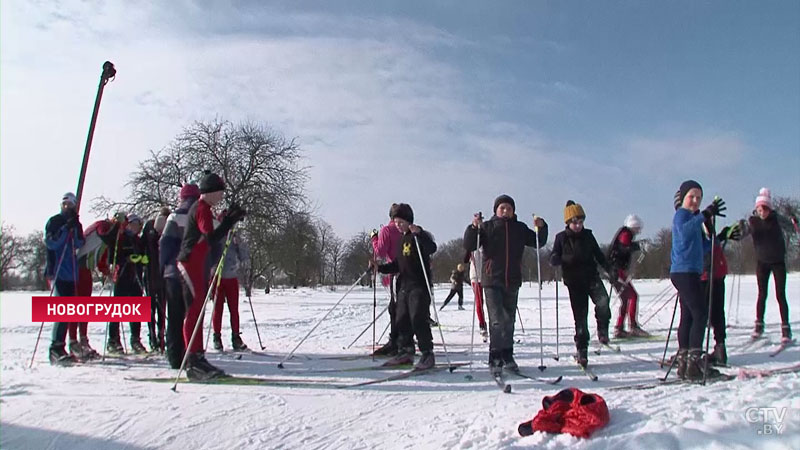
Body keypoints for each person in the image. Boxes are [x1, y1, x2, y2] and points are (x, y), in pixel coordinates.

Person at [464, 194, 548, 374]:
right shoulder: (487, 227)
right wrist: (473, 227)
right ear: (496, 210)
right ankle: (495, 357)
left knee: (509, 320)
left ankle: (507, 355)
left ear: (513, 211)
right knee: (497, 321)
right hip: (491, 279)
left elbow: (538, 242)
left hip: (513, 279)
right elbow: (469, 244)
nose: (505, 211)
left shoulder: (519, 228)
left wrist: (542, 228)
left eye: (509, 208)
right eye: (502, 208)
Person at [177, 171, 245, 380]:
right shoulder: (201, 208)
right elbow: (210, 235)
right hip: (189, 264)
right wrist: (228, 223)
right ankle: (193, 361)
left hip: (198, 264)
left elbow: (212, 236)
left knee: (198, 310)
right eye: (220, 192)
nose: (222, 196)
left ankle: (198, 356)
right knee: (194, 309)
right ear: (212, 191)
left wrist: (228, 221)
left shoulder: (205, 208)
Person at [669, 180, 725, 380]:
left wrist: (721, 236)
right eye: (691, 196)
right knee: (700, 314)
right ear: (683, 198)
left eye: (698, 198)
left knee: (689, 316)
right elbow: (685, 231)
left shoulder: (694, 218)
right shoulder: (681, 215)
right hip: (683, 272)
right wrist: (705, 215)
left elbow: (703, 246)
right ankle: (694, 362)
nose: (695, 201)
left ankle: (685, 363)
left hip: (690, 271)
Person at [371, 203, 438, 370]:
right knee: (401, 319)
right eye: (395, 222)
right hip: (403, 285)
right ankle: (405, 352)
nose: (398, 225)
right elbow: (397, 265)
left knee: (418, 318)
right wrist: (380, 268)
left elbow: (432, 248)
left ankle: (427, 353)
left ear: (409, 221)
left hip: (419, 286)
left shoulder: (418, 236)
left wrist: (420, 234)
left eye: (401, 221)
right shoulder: (401, 240)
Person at [549, 200, 611, 368]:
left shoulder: (588, 235)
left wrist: (609, 269)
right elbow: (554, 254)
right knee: (580, 318)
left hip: (591, 277)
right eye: (574, 222)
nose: (578, 225)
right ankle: (582, 349)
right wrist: (555, 259)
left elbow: (598, 254)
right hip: (574, 282)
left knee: (603, 302)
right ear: (568, 222)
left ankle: (602, 328)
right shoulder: (561, 238)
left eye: (581, 222)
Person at [743, 188, 796, 343]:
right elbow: (743, 232)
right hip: (762, 262)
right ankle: (759, 325)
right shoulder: (753, 221)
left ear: (769, 208)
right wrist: (738, 230)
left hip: (778, 262)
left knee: (780, 295)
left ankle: (786, 329)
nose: (762, 212)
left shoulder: (777, 218)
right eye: (759, 209)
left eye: (764, 209)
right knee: (762, 294)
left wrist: (794, 220)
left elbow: (792, 228)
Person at [160, 183, 200, 369]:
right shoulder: (200, 215)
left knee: (174, 317)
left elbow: (165, 243)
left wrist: (163, 266)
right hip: (193, 273)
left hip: (173, 274)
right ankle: (190, 353)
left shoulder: (174, 217)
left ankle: (175, 357)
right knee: (190, 315)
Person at [44, 192, 85, 365]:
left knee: (70, 310)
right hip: (57, 270)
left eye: (70, 204)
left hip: (71, 271)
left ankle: (64, 345)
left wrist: (74, 227)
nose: (67, 207)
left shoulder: (76, 223)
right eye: (65, 204)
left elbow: (79, 243)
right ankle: (55, 348)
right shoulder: (54, 221)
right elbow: (51, 243)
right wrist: (64, 229)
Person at [98, 212, 147, 354]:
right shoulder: (121, 237)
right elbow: (113, 254)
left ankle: (135, 339)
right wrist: (125, 259)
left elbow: (144, 256)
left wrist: (142, 259)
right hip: (121, 275)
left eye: (138, 225)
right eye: (133, 224)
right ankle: (113, 340)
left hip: (135, 277)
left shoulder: (137, 240)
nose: (135, 227)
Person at [702, 221, 743, 366]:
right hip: (715, 271)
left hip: (708, 273)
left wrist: (723, 235)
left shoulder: (699, 220)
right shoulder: (702, 220)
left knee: (702, 313)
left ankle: (692, 352)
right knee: (716, 311)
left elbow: (706, 246)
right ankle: (720, 347)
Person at [210, 211, 251, 352]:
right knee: (218, 309)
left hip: (231, 276)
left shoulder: (235, 235)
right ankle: (217, 336)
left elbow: (243, 253)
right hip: (217, 276)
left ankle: (235, 337)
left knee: (234, 309)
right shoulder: (217, 234)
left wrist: (242, 251)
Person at [369, 205, 403, 356]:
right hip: (409, 272)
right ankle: (402, 339)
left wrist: (374, 239)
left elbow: (381, 252)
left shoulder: (387, 230)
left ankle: (396, 342)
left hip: (394, 271)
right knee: (402, 307)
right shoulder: (405, 229)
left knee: (394, 308)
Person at [608, 214, 648, 338]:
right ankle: (633, 326)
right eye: (638, 228)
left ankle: (619, 328)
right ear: (633, 226)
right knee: (632, 296)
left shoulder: (625, 233)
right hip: (616, 272)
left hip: (616, 271)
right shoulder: (626, 234)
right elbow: (624, 248)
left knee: (625, 299)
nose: (638, 231)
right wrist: (638, 246)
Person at [142, 207, 170, 352]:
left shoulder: (170, 228)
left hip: (164, 275)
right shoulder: (149, 226)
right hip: (151, 272)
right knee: (150, 307)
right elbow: (143, 245)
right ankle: (152, 335)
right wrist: (142, 260)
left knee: (162, 307)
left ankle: (161, 335)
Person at [467, 248, 489, 341]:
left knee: (492, 302)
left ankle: (497, 326)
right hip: (475, 277)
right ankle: (482, 325)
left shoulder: (486, 241)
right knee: (479, 303)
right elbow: (465, 258)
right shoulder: (471, 244)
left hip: (488, 275)